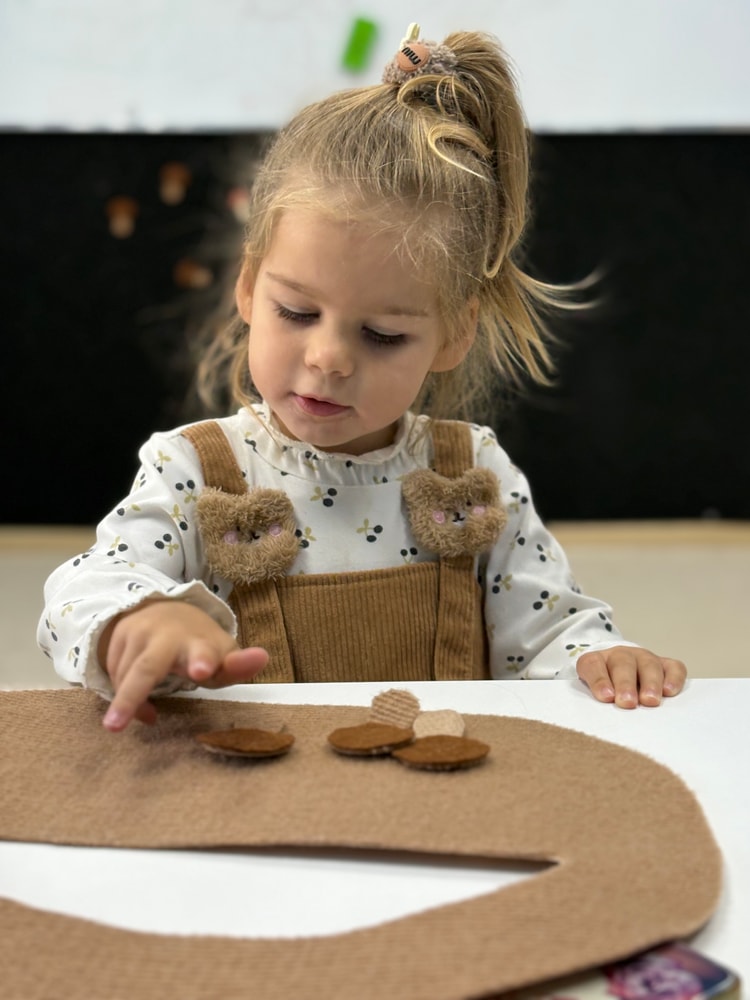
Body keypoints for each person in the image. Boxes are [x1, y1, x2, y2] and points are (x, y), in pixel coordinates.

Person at [38, 26, 686, 732]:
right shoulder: (191, 470)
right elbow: (83, 593)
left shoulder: (476, 477)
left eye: (382, 335)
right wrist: (140, 620)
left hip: (433, 790)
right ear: (248, 288)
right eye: (296, 312)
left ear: (454, 332)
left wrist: (600, 656)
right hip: (261, 794)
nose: (328, 358)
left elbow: (549, 632)